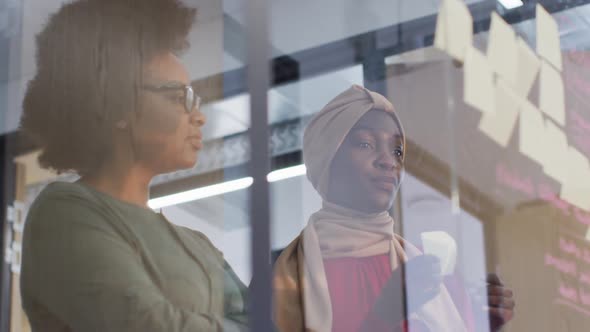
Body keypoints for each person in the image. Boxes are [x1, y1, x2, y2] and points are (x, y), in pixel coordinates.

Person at [18, 0, 248, 331]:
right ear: (116, 102)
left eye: (194, 100)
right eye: (176, 97)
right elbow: (145, 324)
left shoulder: (199, 244)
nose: (198, 116)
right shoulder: (63, 212)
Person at [273, 85, 515, 332]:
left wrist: (483, 320)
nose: (388, 161)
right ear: (328, 157)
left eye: (397, 151)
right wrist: (384, 315)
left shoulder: (428, 273)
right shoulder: (288, 280)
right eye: (366, 144)